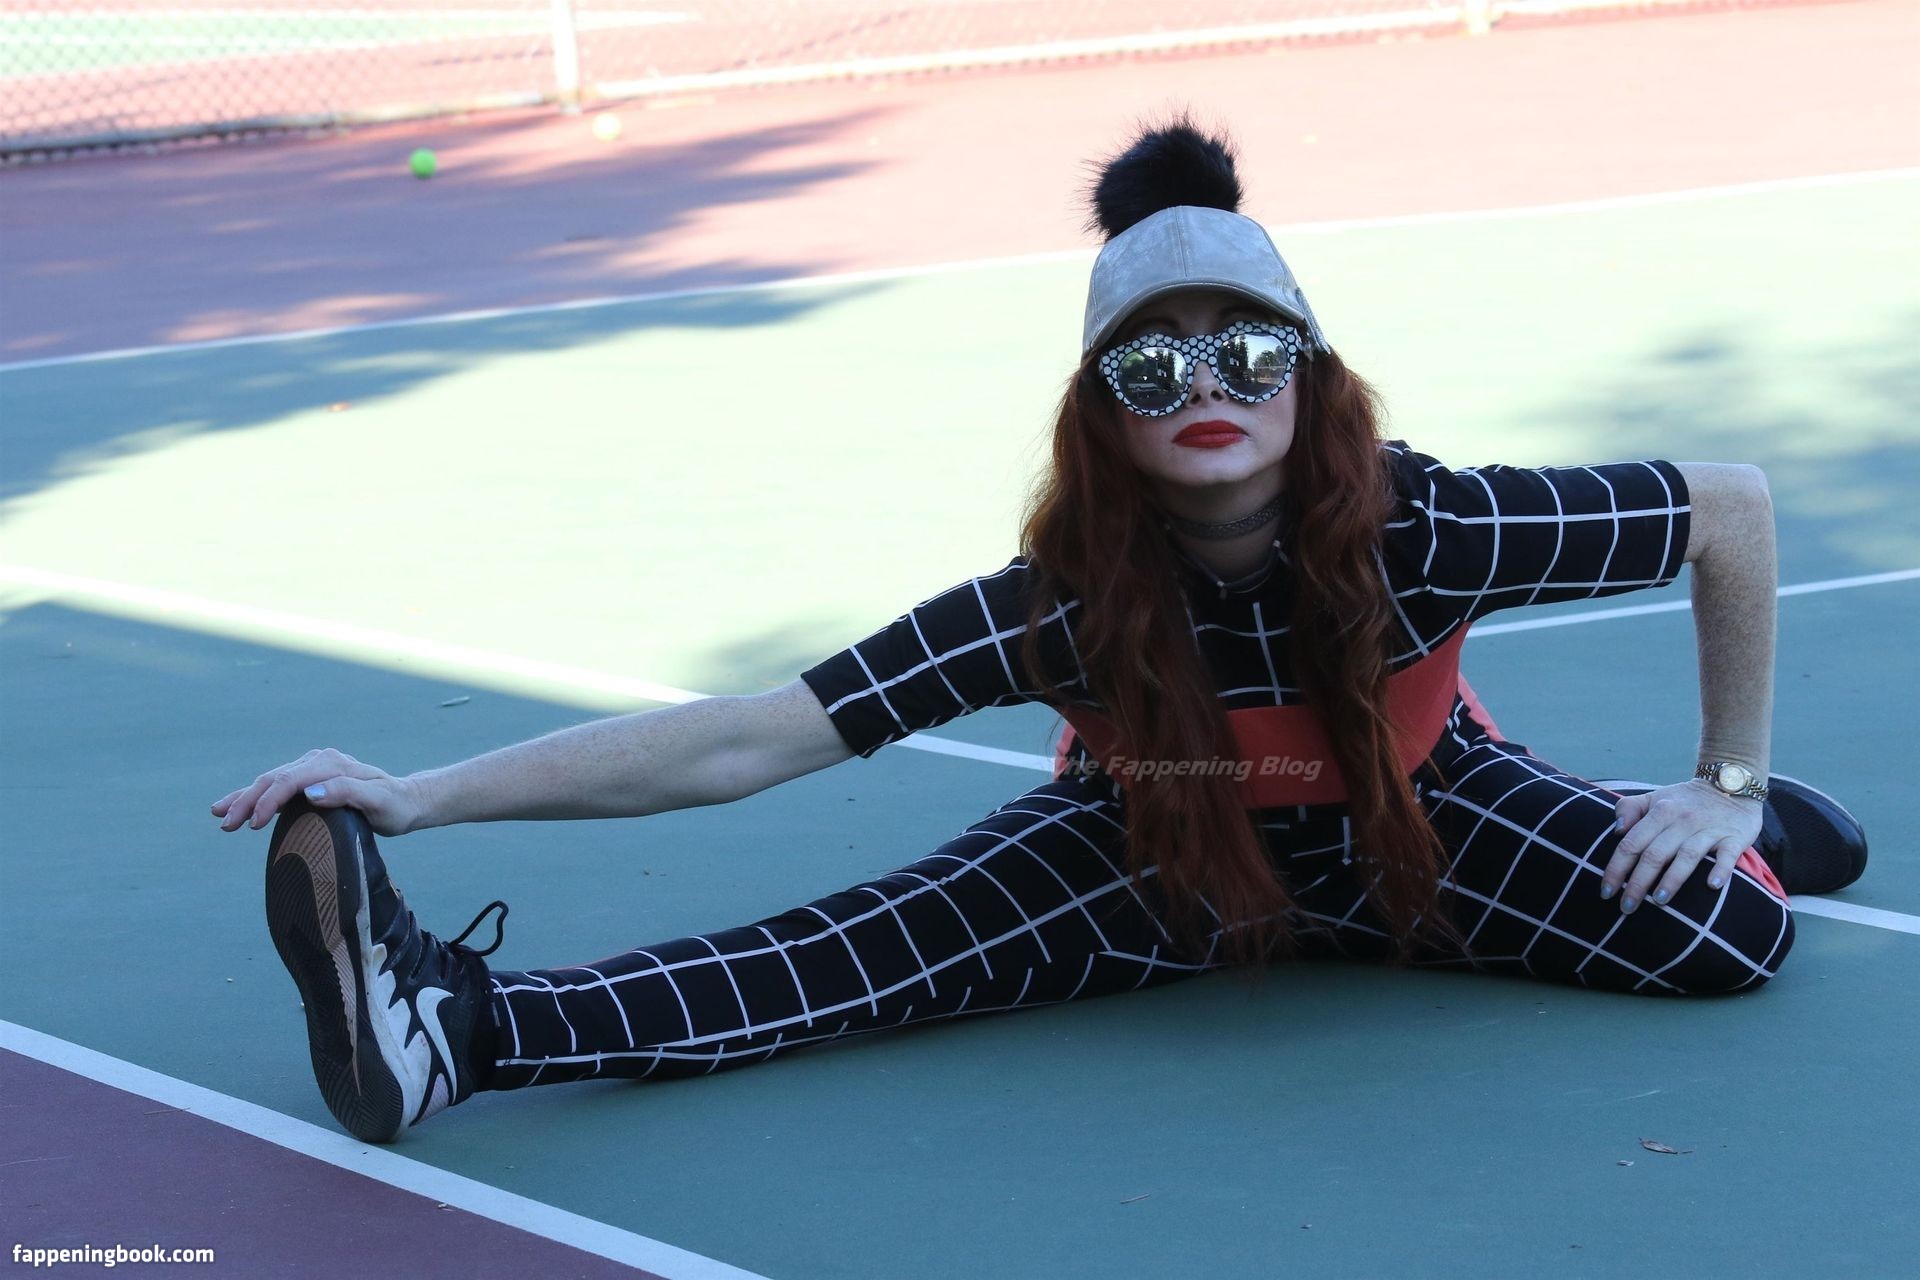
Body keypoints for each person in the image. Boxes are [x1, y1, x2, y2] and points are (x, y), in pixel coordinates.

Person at [213, 119, 1866, 1145]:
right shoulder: (1069, 604)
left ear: (1311, 378)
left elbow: (1725, 509)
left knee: (1726, 937)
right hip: (1151, 840)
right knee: (860, 960)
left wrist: (1726, 785)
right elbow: (751, 738)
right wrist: (420, 796)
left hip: (1412, 811)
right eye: (1154, 364)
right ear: (1102, 413)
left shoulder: (1423, 529)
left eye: (1248, 353)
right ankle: (456, 1028)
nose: (1206, 387)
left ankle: (1743, 831)